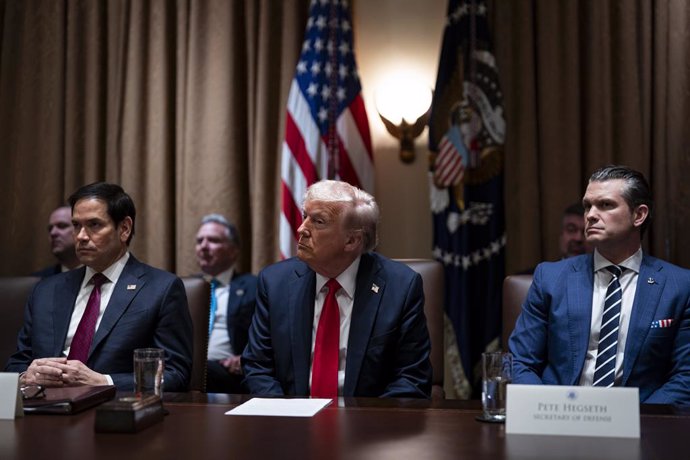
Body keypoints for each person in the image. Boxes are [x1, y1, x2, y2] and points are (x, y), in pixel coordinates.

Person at [509, 165, 690, 404]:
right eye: (588, 206)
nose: (591, 215)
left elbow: (685, 376)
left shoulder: (679, 286)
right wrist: (550, 411)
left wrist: (632, 421)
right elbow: (519, 362)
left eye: (605, 205)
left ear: (639, 215)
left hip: (642, 426)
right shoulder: (550, 278)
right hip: (558, 419)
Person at [242, 180, 432, 398]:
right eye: (305, 216)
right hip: (290, 421)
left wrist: (364, 425)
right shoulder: (275, 282)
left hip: (366, 423)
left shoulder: (400, 288)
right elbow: (257, 367)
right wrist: (285, 418)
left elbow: (411, 378)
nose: (301, 229)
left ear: (352, 240)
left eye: (318, 221)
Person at [5, 182, 193, 392]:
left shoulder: (161, 289)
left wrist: (103, 382)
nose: (81, 236)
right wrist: (26, 376)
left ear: (124, 229)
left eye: (94, 225)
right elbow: (15, 364)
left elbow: (175, 374)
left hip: (113, 413)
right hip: (44, 410)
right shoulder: (46, 291)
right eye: (76, 225)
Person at [195, 213, 257, 393]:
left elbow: (270, 335)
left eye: (213, 240)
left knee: (202, 370)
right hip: (187, 367)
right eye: (199, 241)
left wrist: (245, 358)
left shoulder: (254, 287)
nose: (204, 246)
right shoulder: (185, 288)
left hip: (227, 371)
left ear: (233, 250)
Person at [32, 205, 80, 277]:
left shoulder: (99, 278)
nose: (53, 233)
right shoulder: (37, 282)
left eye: (62, 226)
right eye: (50, 229)